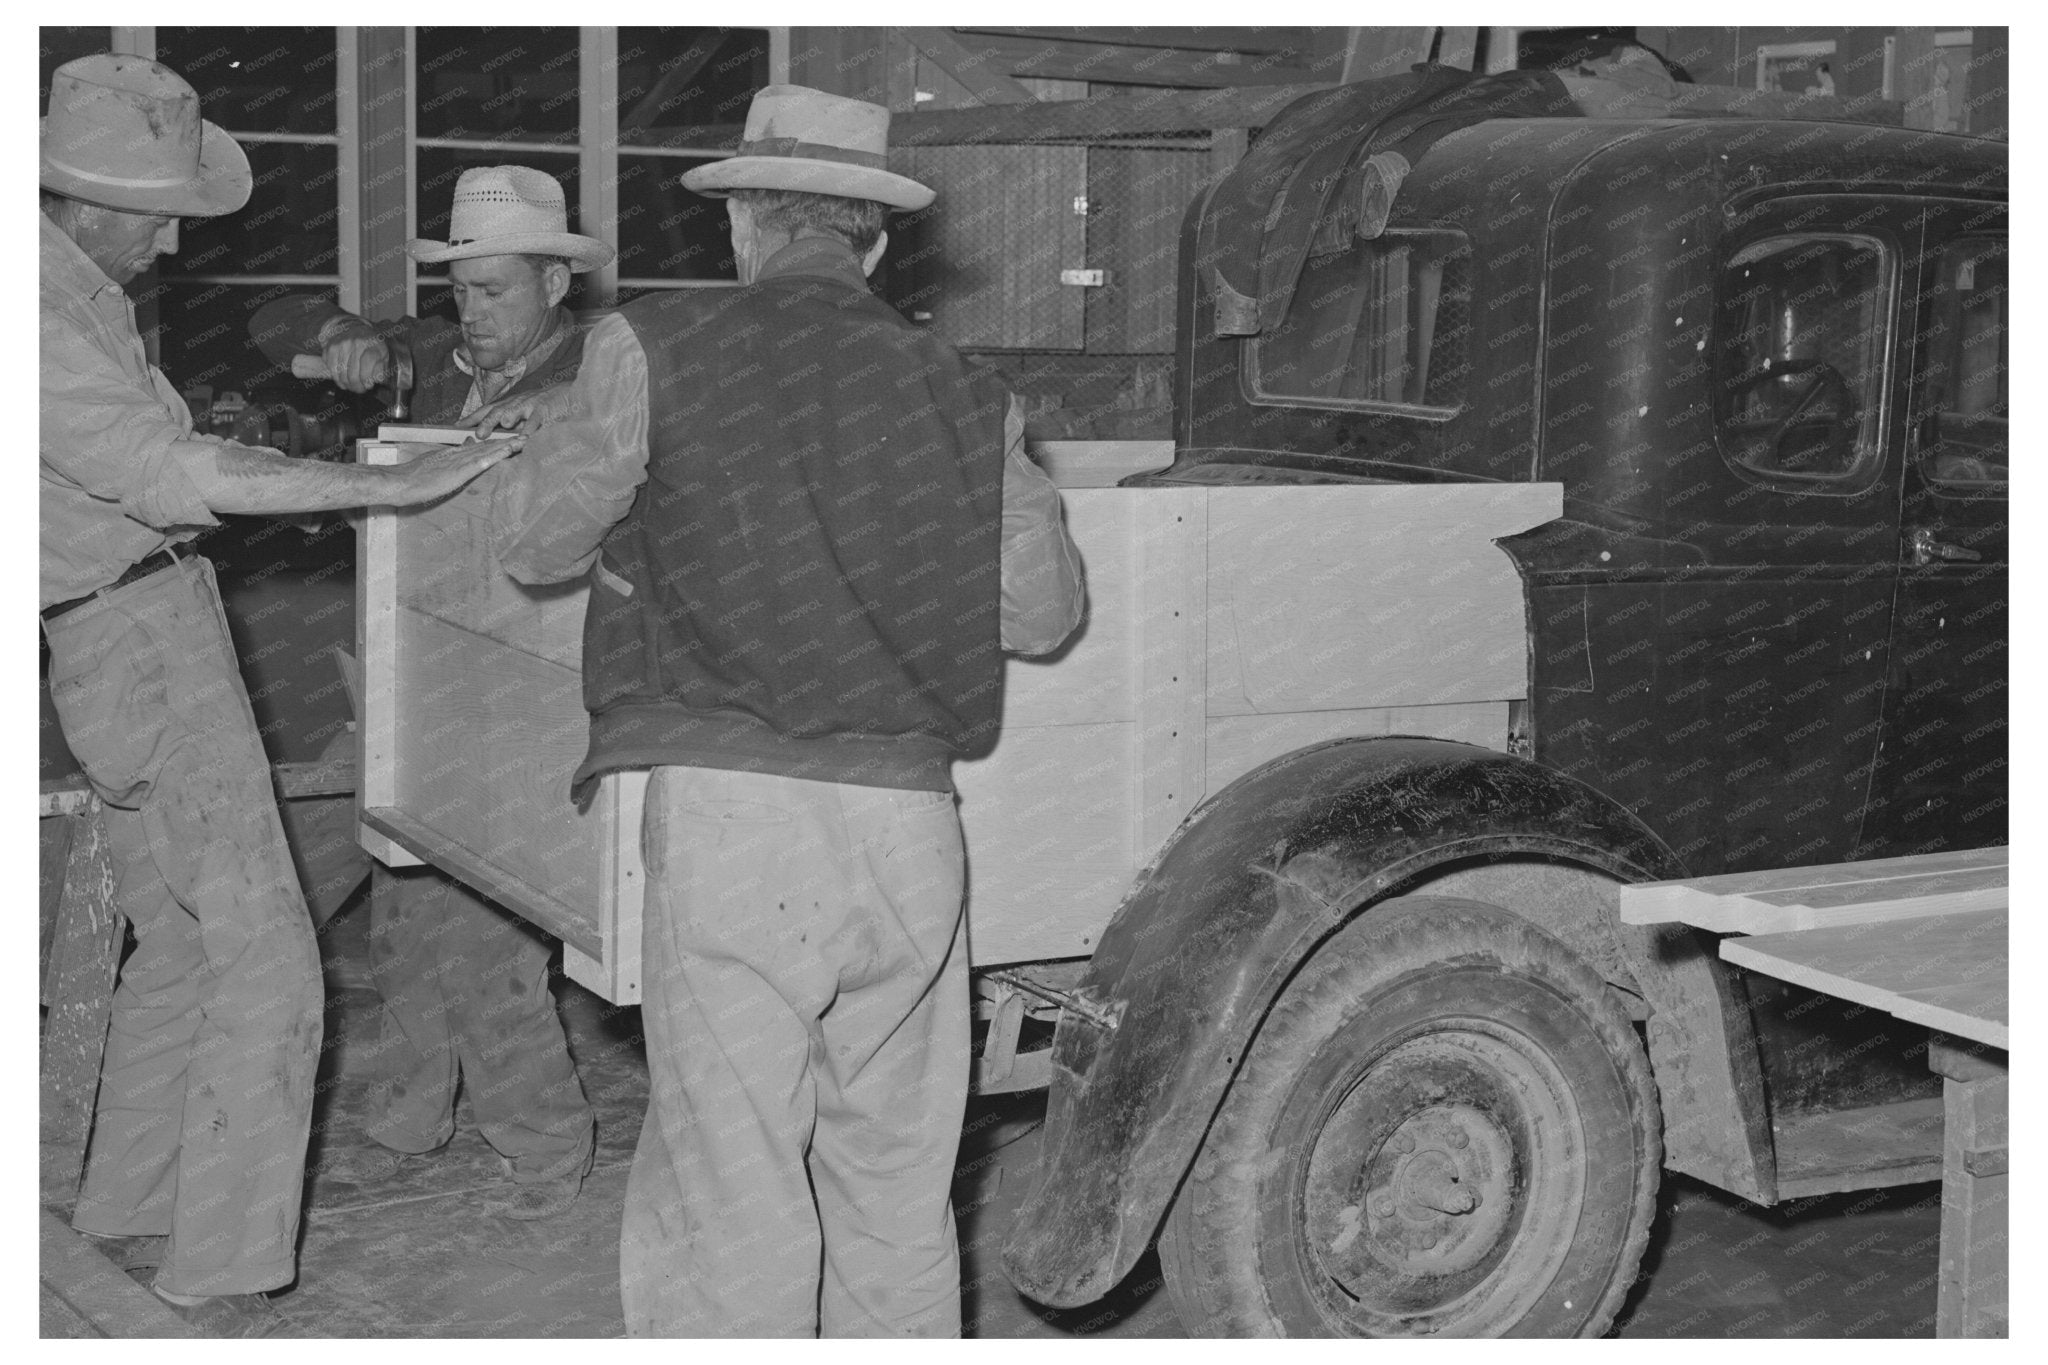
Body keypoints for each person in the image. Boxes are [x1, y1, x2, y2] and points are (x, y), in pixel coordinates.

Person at [475, 85, 1084, 1336]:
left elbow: (534, 545)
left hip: (735, 824)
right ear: (872, 241)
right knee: (897, 1189)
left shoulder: (651, 348)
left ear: (744, 226)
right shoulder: (971, 392)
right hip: (909, 835)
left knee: (736, 1179)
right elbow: (1042, 615)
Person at [40, 54, 519, 1332]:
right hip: (136, 632)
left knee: (188, 943)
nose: (172, 240)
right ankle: (224, 1266)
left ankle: (128, 1206)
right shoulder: (32, 309)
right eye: (155, 213)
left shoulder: (77, 297)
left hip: (119, 631)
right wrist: (388, 485)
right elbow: (160, 466)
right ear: (81, 197)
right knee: (270, 957)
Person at [247, 165, 608, 1220]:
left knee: (491, 927)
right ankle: (408, 1116)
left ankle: (543, 1146)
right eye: (461, 292)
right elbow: (274, 324)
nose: (474, 313)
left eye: (495, 292)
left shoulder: (603, 367)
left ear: (555, 283)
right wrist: (339, 326)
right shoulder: (427, 361)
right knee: (404, 912)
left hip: (534, 682)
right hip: (414, 671)